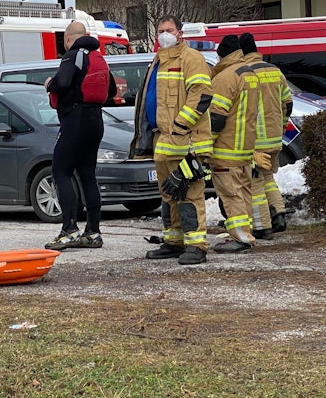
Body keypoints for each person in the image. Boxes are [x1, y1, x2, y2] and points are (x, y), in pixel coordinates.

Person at [130, 15, 214, 264]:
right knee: (168, 194)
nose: (164, 34)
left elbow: (201, 95)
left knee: (189, 194)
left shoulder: (191, 59)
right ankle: (174, 242)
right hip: (162, 140)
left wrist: (181, 124)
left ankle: (196, 245)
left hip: (185, 140)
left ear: (180, 33)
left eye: (169, 30)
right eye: (161, 30)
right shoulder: (158, 60)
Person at [44, 21, 117, 250]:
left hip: (74, 119)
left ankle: (69, 229)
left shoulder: (72, 56)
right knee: (87, 175)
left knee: (60, 170)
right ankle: (93, 232)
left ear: (68, 38)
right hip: (96, 120)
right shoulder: (98, 58)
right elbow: (112, 90)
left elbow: (63, 82)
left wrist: (50, 84)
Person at [208, 34, 260, 253]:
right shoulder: (249, 74)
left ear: (221, 55)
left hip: (226, 148)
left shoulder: (225, 78)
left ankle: (241, 237)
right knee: (243, 193)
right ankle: (245, 232)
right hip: (245, 148)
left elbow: (217, 117)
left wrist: (204, 144)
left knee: (231, 195)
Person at [239, 33, 293, 238]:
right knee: (268, 177)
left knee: (256, 182)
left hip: (255, 140)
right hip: (274, 137)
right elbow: (288, 103)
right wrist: (281, 126)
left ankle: (263, 227)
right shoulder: (275, 71)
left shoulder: (246, 73)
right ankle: (279, 214)